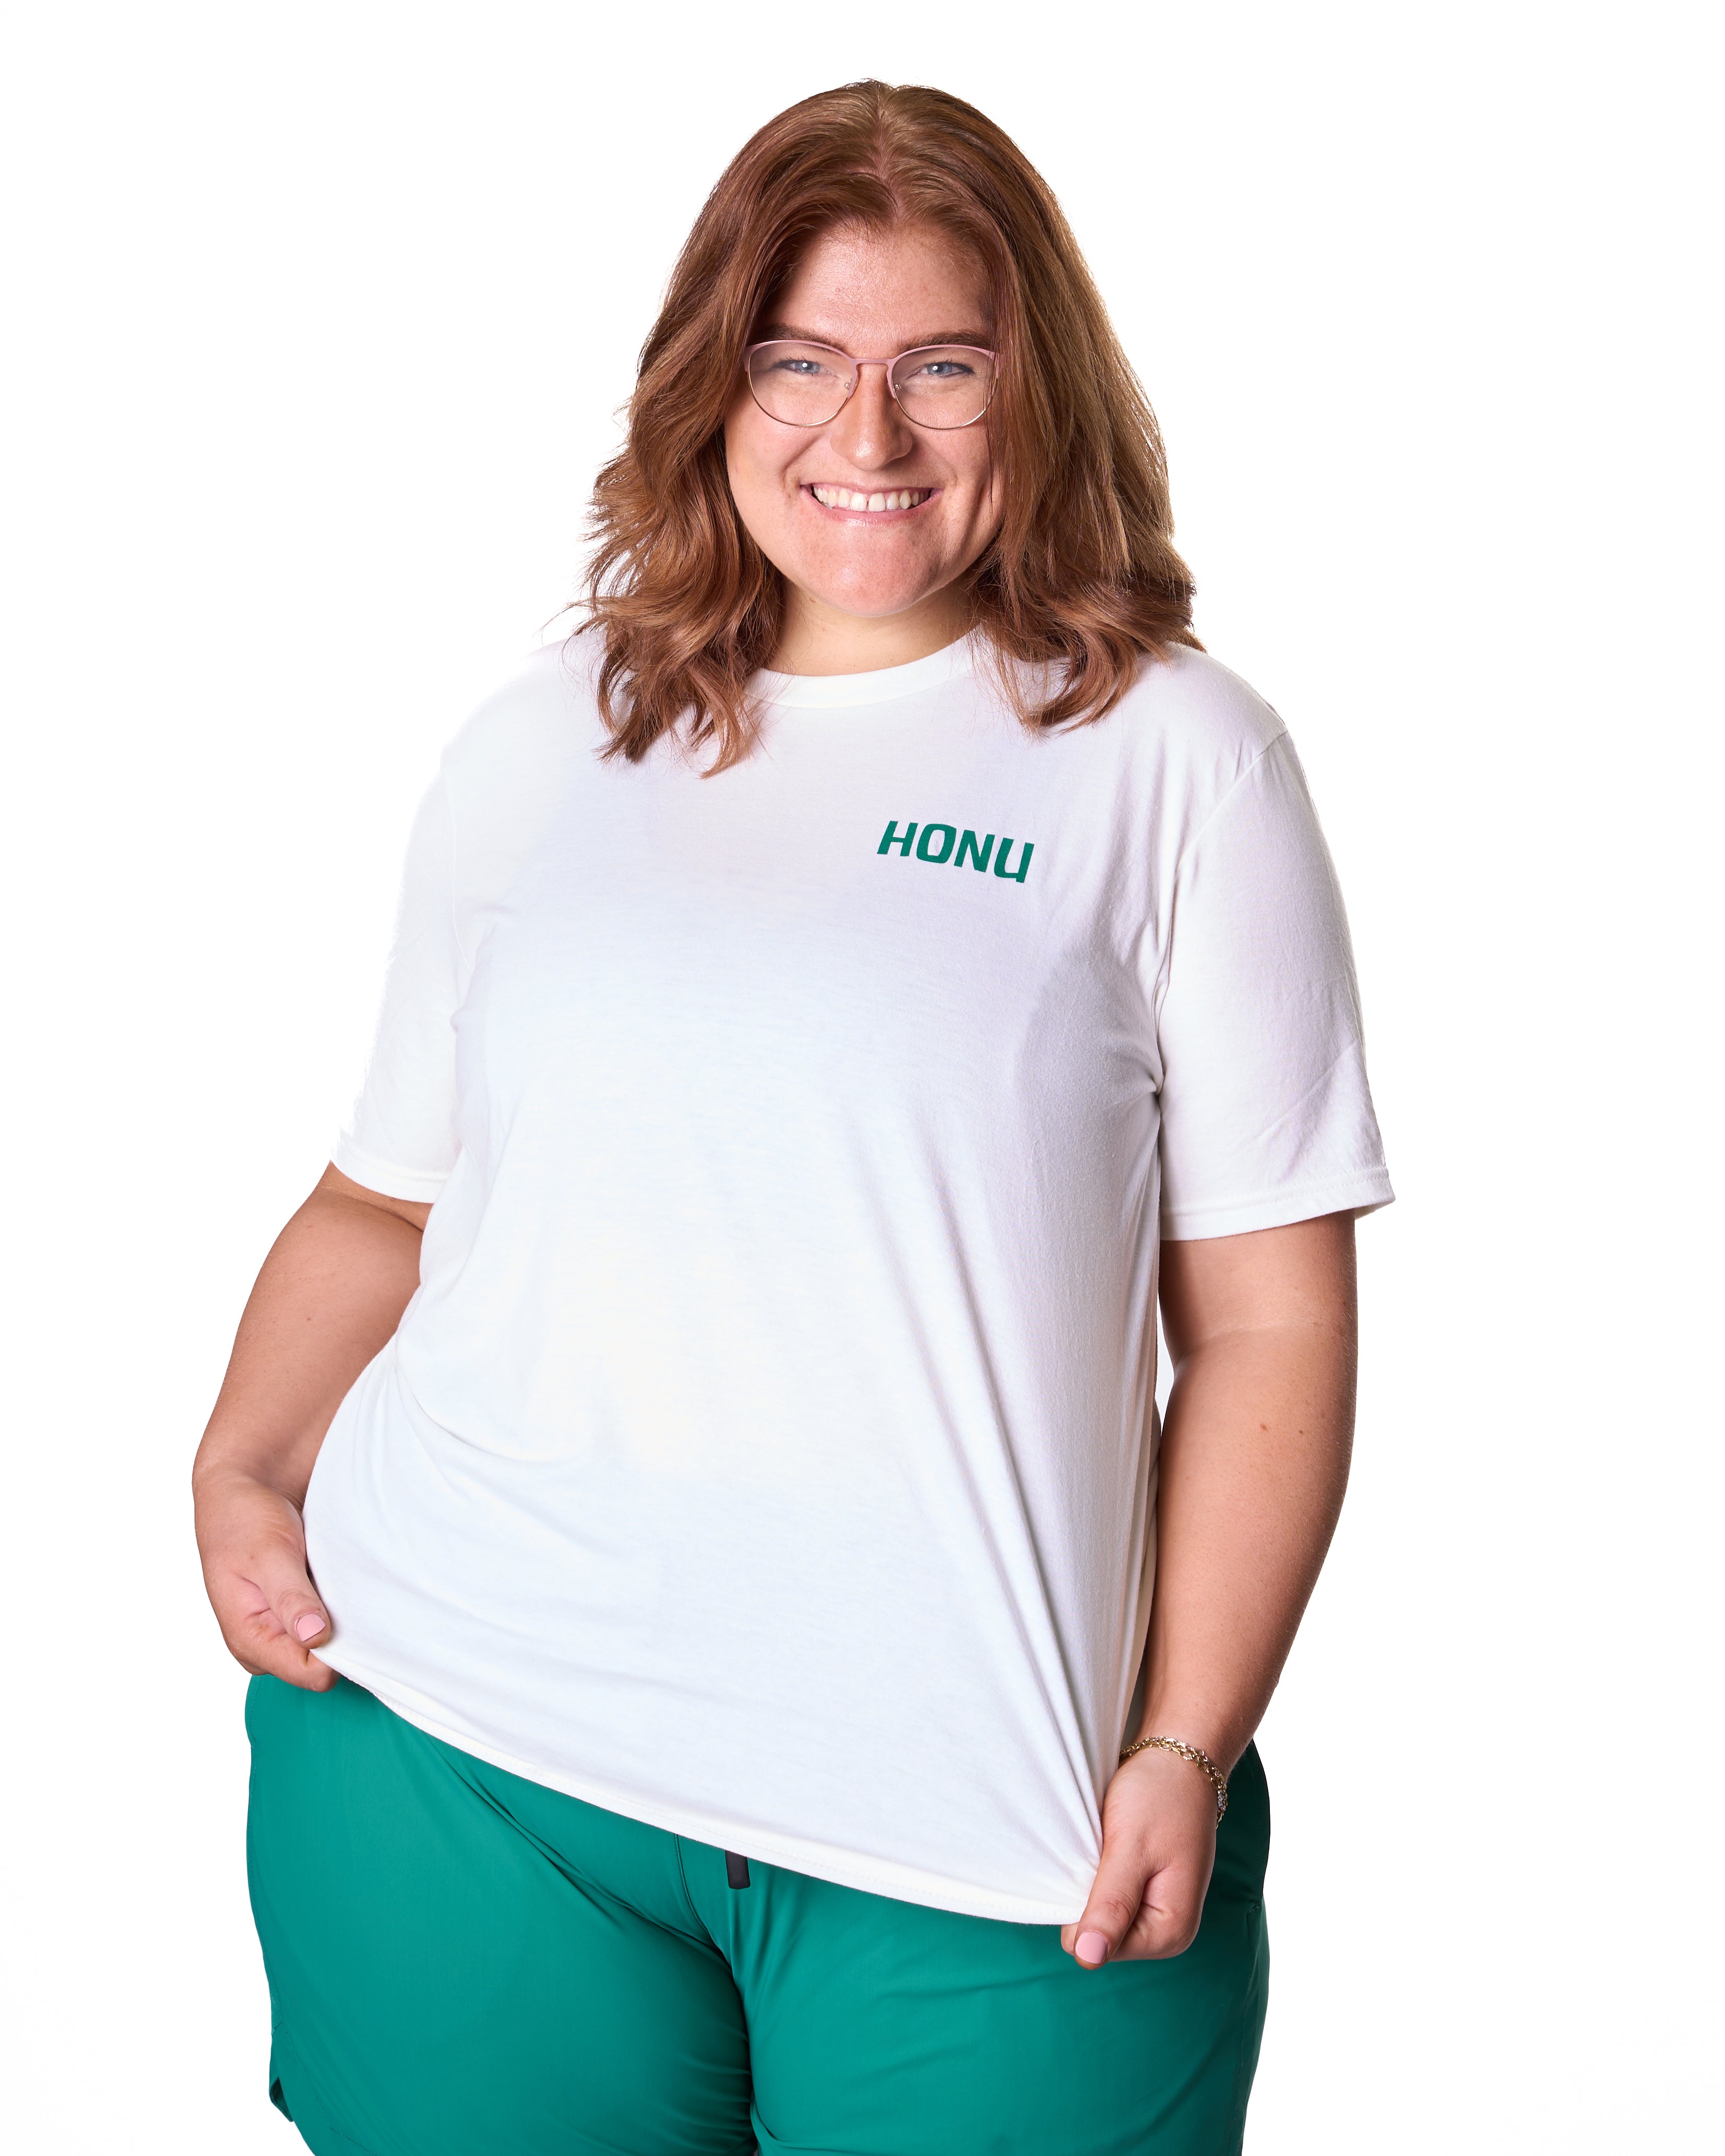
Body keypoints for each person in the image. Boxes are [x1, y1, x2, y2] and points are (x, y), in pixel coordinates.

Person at [194, 79, 1392, 2156]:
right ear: (711, 383)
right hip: (461, 1753)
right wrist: (237, 1464)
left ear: (1039, 389)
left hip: (989, 1836)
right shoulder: (548, 738)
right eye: (798, 361)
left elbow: (1268, 1320)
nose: (868, 433)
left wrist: (1188, 1741)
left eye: (943, 366)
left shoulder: (1174, 760)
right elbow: (384, 1199)